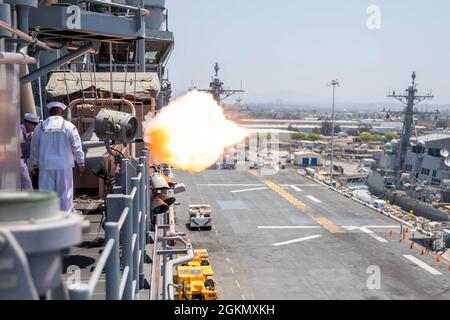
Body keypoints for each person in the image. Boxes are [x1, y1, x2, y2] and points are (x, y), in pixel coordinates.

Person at [30, 102, 85, 213]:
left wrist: (34, 164)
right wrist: (81, 162)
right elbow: (77, 146)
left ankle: (47, 217)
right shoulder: (69, 127)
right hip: (63, 165)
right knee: (65, 193)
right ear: (62, 112)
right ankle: (66, 216)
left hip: (45, 165)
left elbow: (34, 147)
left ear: (49, 112)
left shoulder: (39, 127)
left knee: (46, 193)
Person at [19, 113, 40, 190]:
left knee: (28, 180)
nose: (35, 126)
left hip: (28, 159)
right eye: (33, 124)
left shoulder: (33, 134)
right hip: (18, 159)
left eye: (36, 124)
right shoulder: (18, 131)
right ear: (26, 122)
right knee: (26, 181)